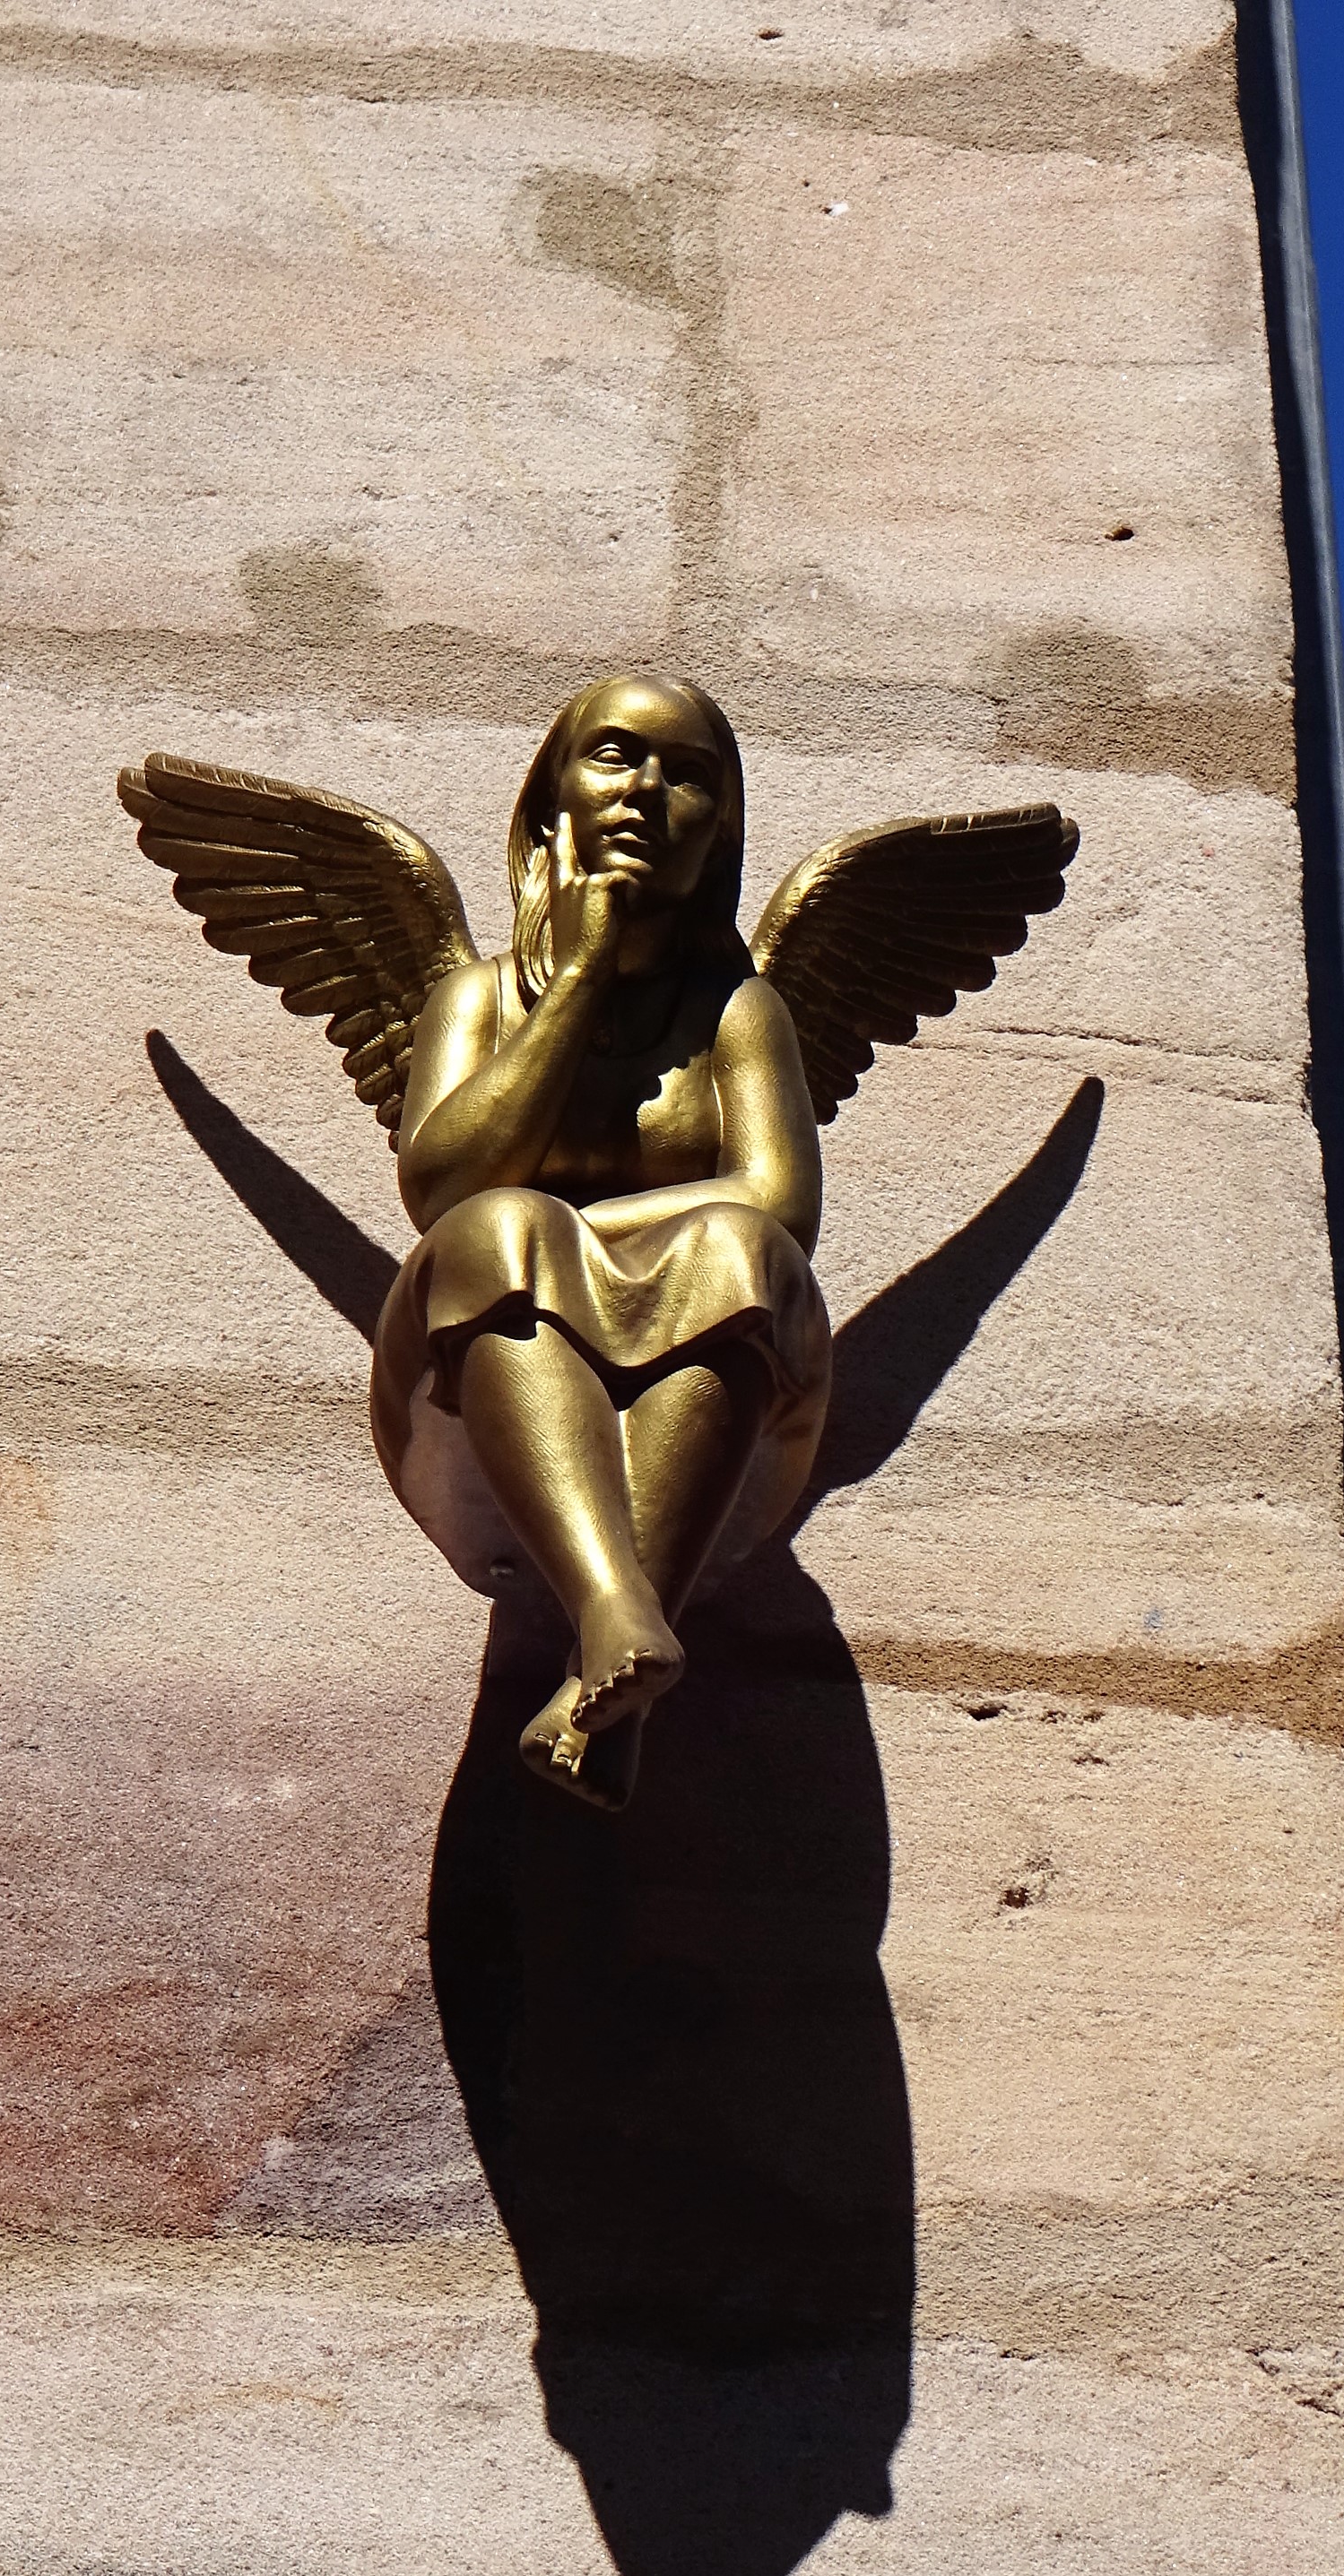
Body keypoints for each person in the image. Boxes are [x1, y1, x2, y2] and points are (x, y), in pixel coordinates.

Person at [369, 674, 831, 1809]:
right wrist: (576, 977)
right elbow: (442, 1185)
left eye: (689, 775)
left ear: (719, 830)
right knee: (496, 1226)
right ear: (552, 801)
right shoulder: (478, 999)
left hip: (718, 1347)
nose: (646, 791)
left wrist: (570, 1246)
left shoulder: (739, 1013)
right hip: (466, 1361)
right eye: (616, 755)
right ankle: (614, 1614)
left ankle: (609, 1673)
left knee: (734, 1250)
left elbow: (778, 1204)